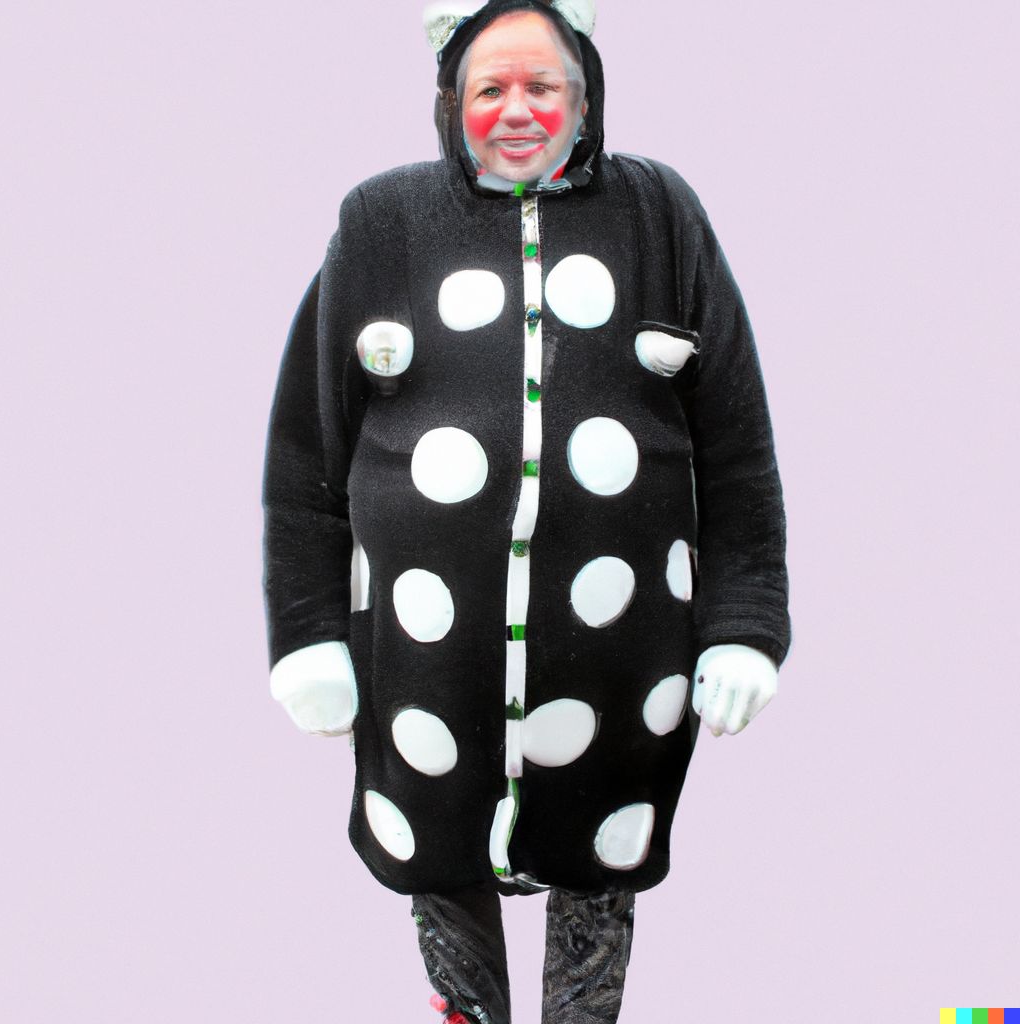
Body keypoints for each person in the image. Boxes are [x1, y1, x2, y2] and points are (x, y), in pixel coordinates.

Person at [261, 2, 791, 1021]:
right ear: (449, 102)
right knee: (439, 858)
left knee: (600, 863)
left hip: (623, 653)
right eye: (489, 88)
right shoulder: (380, 221)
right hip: (421, 660)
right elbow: (305, 456)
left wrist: (747, 624)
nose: (517, 110)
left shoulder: (659, 214)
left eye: (541, 86)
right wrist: (306, 634)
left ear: (585, 97)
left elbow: (739, 451)